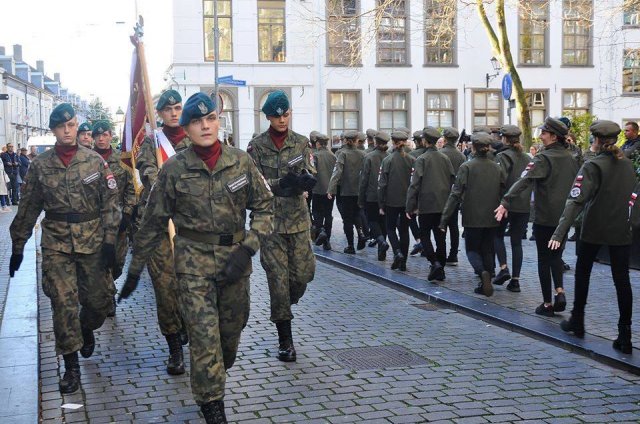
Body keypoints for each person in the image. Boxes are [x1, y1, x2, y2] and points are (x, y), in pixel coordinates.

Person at [119, 92, 273, 423]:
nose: (205, 126)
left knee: (228, 340)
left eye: (211, 119)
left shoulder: (241, 161)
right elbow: (153, 221)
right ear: (186, 129)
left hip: (235, 262)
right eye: (197, 122)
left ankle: (214, 373)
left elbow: (264, 206)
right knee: (204, 341)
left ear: (219, 121)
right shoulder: (174, 169)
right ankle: (212, 406)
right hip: (192, 266)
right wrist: (133, 271)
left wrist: (248, 247)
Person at [9, 103, 120, 394]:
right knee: (63, 304)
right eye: (61, 127)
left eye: (71, 125)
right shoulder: (41, 165)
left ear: (75, 124)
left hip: (92, 241)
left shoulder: (95, 162)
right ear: (54, 130)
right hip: (57, 242)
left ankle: (86, 328)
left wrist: (110, 239)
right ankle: (71, 366)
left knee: (98, 302)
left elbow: (110, 203)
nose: (67, 131)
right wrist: (18, 245)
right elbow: (29, 206)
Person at [550, 121, 636, 354]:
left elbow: (575, 201)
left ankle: (578, 320)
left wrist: (560, 231)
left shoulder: (592, 165)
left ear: (595, 140)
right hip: (621, 228)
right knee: (622, 280)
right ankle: (625, 334)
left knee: (583, 273)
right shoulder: (628, 165)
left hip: (594, 227)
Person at [247, 90, 317, 363]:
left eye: (286, 115)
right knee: (277, 281)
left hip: (298, 221)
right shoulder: (256, 147)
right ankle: (285, 340)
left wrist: (306, 180)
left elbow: (308, 170)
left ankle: (288, 301)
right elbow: (256, 185)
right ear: (268, 118)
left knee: (303, 274)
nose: (282, 120)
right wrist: (281, 185)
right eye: (277, 117)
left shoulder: (301, 143)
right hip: (270, 224)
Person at [495, 117, 579, 316]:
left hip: (545, 217)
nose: (540, 136)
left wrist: (505, 201)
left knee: (543, 259)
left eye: (543, 133)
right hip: (564, 218)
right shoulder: (571, 157)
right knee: (556, 257)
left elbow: (524, 180)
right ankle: (560, 292)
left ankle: (547, 303)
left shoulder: (543, 158)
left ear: (552, 136)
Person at [135, 89, 190, 374]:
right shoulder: (151, 142)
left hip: (192, 226)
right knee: (166, 289)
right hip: (160, 224)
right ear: (159, 113)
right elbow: (147, 172)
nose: (173, 113)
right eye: (167, 109)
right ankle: (174, 349)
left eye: (178, 107)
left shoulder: (197, 139)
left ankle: (189, 328)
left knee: (193, 286)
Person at [440, 132, 505, 296]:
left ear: (473, 148)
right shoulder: (497, 167)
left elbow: (455, 194)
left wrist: (444, 218)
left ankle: (482, 272)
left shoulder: (467, 167)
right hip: (492, 215)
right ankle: (488, 278)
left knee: (472, 249)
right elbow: (504, 191)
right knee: (488, 249)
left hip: (472, 215)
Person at [92, 120, 136, 315]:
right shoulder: (86, 159)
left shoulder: (122, 160)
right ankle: (108, 296)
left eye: (105, 135)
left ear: (111, 136)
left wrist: (128, 212)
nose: (101, 139)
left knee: (117, 262)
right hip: (94, 221)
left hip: (118, 219)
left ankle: (110, 284)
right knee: (102, 261)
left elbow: (131, 187)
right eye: (97, 135)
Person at [406, 128, 455, 282]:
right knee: (441, 236)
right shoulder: (444, 158)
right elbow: (452, 178)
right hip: (443, 203)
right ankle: (440, 266)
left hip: (426, 204)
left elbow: (415, 185)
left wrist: (410, 205)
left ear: (424, 141)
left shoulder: (422, 159)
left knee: (424, 235)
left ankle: (434, 263)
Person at [492, 125, 532, 293]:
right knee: (517, 242)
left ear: (504, 139)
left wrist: (503, 203)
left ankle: (503, 267)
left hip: (506, 203)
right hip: (523, 205)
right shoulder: (528, 158)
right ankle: (515, 281)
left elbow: (500, 181)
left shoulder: (502, 156)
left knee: (497, 235)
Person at [379, 131, 415, 271]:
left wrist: (381, 203)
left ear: (393, 142)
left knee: (390, 228)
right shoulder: (412, 160)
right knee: (404, 230)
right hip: (407, 201)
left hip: (391, 200)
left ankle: (397, 252)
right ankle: (403, 262)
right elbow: (415, 183)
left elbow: (382, 184)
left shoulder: (387, 160)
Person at [327, 130, 366, 253]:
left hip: (346, 190)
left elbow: (337, 172)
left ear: (345, 141)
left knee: (347, 219)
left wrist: (331, 189)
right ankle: (361, 234)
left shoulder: (342, 154)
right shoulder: (363, 154)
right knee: (357, 214)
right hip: (359, 190)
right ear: (356, 141)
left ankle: (351, 246)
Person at [359, 131, 390, 260]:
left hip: (372, 195)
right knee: (384, 223)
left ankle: (381, 241)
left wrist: (361, 198)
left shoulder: (369, 157)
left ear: (376, 142)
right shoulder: (390, 156)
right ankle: (381, 251)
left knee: (372, 220)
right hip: (387, 196)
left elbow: (363, 179)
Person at [439, 127, 466, 265]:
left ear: (444, 139)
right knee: (454, 225)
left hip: (441, 195)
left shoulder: (440, 154)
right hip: (456, 195)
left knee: (441, 224)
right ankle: (453, 254)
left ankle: (441, 254)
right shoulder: (461, 156)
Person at [311, 133, 336, 250]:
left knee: (316, 212)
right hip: (330, 190)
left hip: (318, 189)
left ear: (318, 143)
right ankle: (327, 241)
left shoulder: (315, 155)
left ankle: (321, 230)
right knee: (328, 214)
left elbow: (312, 172)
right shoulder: (333, 156)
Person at [408, 130, 426, 256]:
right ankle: (425, 243)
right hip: (429, 193)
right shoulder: (436, 154)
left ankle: (420, 241)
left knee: (410, 217)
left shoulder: (412, 154)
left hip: (416, 191)